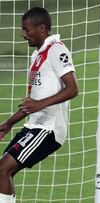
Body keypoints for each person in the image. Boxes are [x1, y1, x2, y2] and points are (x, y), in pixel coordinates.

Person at [0, 7, 78, 203]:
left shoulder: (57, 50)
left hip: (48, 129)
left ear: (42, 28)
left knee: (2, 169)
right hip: (34, 126)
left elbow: (72, 89)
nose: (23, 34)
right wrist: (9, 123)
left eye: (27, 29)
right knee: (3, 173)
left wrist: (40, 104)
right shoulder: (37, 55)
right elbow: (33, 102)